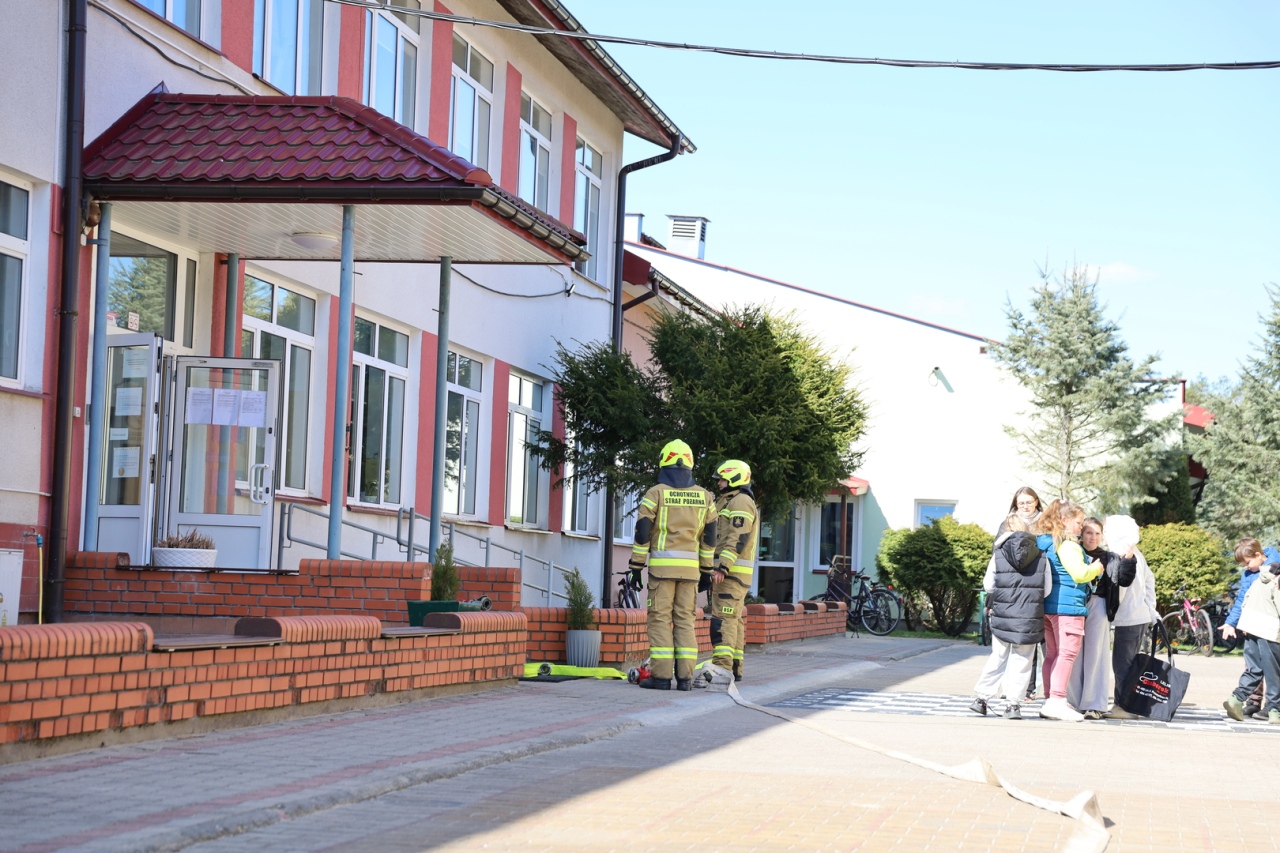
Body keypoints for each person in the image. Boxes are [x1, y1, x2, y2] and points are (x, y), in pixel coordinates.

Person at [629, 439, 718, 691]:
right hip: (690, 573)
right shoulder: (706, 497)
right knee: (685, 621)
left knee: (659, 620)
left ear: (664, 461)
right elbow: (710, 538)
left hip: (661, 572)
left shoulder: (655, 493)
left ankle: (660, 677)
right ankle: (685, 679)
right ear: (689, 463)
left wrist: (636, 567)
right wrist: (707, 571)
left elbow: (642, 531)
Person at [969, 513, 1046, 720]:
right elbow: (1046, 589)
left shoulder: (999, 553)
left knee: (998, 656)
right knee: (1022, 660)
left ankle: (982, 699)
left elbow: (988, 585)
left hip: (1003, 613)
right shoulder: (1041, 554)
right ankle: (1013, 705)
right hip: (1029, 616)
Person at [1034, 499, 1101, 722]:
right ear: (1064, 520)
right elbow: (1079, 574)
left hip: (1050, 606)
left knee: (1052, 654)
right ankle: (1057, 700)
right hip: (1068, 607)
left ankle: (1050, 700)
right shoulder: (1068, 544)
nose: (1080, 528)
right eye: (1078, 522)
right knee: (1067, 654)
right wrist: (1096, 568)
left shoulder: (1046, 542)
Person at [1068, 517, 1136, 720]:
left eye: (1097, 533)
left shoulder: (1110, 557)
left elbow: (1124, 579)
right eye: (1089, 532)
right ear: (1081, 533)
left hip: (1098, 604)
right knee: (1073, 653)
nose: (1093, 537)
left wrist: (1129, 560)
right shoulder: (1071, 551)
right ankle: (1072, 702)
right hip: (1074, 604)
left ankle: (1094, 703)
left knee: (1096, 654)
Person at [708, 459, 759, 682]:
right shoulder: (732, 501)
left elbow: (737, 538)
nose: (719, 483)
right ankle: (735, 668)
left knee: (723, 620)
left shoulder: (740, 502)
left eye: (722, 478)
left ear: (734, 478)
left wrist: (722, 567)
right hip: (734, 574)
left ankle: (722, 669)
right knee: (734, 619)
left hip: (730, 573)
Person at [1105, 516, 1158, 719]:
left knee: (1122, 663)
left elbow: (1119, 588)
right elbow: (1150, 579)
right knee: (1128, 661)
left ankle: (1124, 706)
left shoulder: (1120, 552)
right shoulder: (1136, 552)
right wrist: (1149, 606)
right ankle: (1127, 704)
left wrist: (1109, 613)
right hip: (1138, 615)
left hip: (1127, 617)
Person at [997, 487, 1044, 698]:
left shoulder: (1045, 523)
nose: (1025, 506)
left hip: (1039, 584)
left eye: (1029, 502)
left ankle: (1042, 689)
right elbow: (997, 555)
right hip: (1015, 589)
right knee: (1020, 641)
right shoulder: (1008, 523)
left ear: (1036, 502)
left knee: (1039, 641)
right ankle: (1022, 689)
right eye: (1021, 503)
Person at [1221, 539, 1270, 720]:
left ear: (1258, 555)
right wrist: (1231, 623)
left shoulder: (1275, 567)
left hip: (1271, 626)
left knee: (1272, 668)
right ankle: (1253, 702)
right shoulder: (1249, 575)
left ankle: (1272, 707)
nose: (1246, 567)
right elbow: (1242, 600)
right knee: (1252, 665)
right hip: (1252, 626)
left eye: (1248, 563)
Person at [1231, 554, 1280, 725]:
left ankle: (1236, 699)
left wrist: (1242, 623)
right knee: (1273, 672)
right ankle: (1274, 711)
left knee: (1253, 669)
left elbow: (1245, 600)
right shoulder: (1276, 582)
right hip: (1269, 631)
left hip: (1249, 627)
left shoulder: (1258, 579)